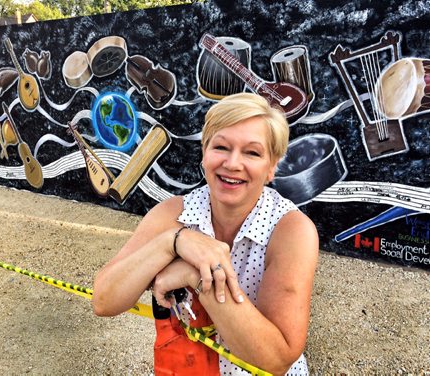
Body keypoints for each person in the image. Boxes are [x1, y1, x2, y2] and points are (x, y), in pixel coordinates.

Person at [92, 92, 319, 375]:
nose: (233, 163)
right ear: (204, 152)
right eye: (221, 147)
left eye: (252, 152)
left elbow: (276, 358)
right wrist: (172, 243)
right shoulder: (173, 214)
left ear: (272, 167)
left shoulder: (291, 230)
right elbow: (104, 300)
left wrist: (195, 276)